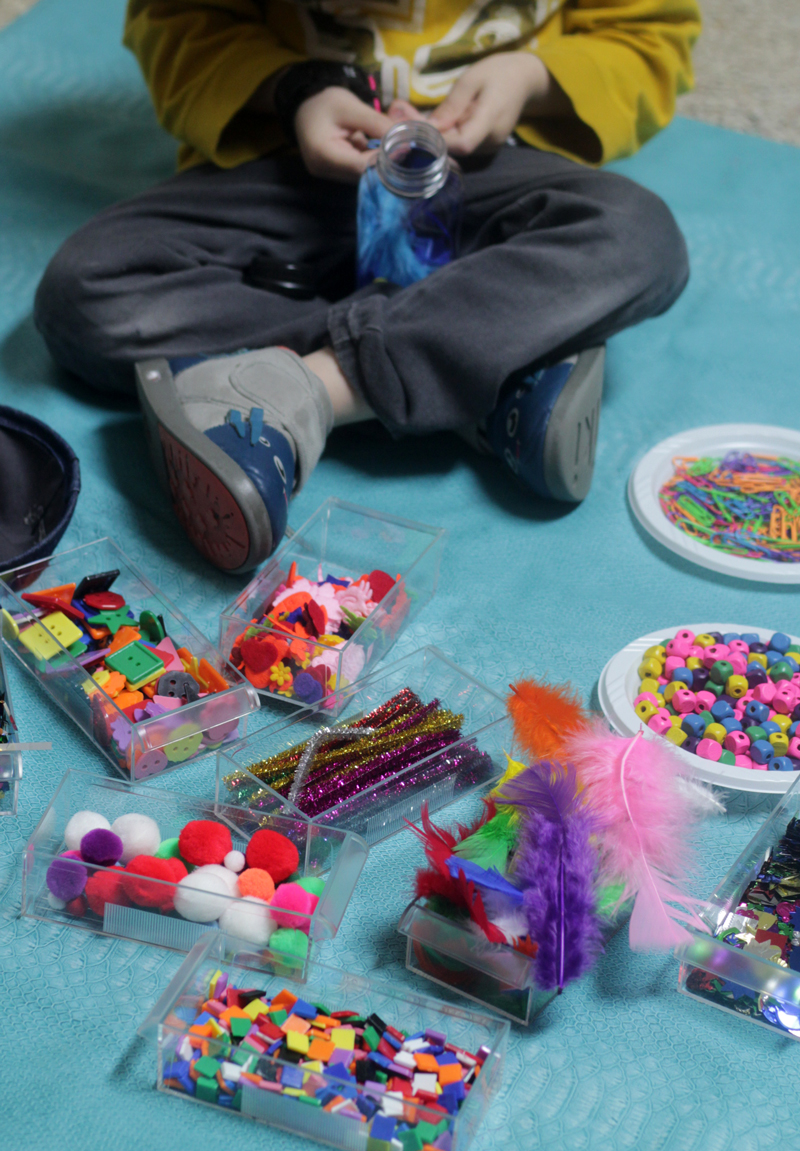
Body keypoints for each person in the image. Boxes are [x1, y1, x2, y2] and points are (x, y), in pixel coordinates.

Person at [34, 0, 700, 573]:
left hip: (488, 174)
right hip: (299, 167)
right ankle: (487, 367)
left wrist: (531, 77)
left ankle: (307, 391)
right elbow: (180, 22)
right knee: (86, 289)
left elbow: (648, 36)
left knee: (639, 232)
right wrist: (295, 89)